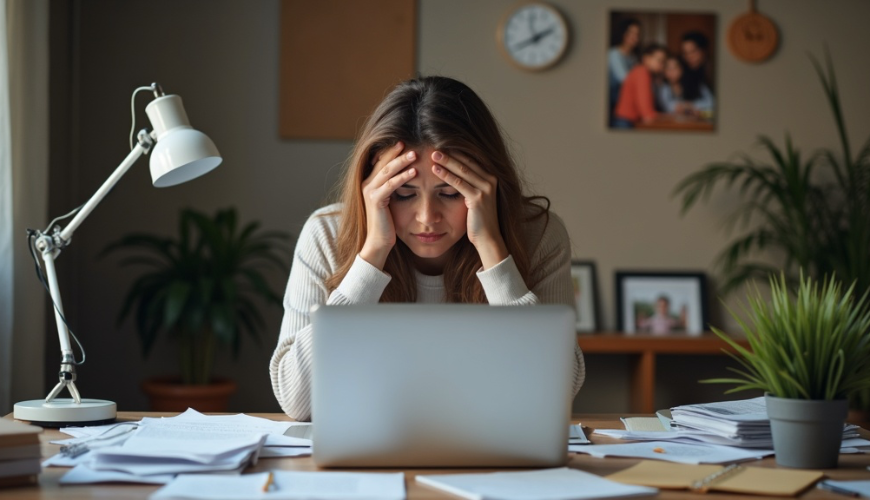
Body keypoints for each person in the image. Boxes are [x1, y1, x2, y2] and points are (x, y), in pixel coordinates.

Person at [270, 76, 586, 421]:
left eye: (450, 193)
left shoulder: (539, 235)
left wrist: (493, 250)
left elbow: (559, 391)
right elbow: (296, 401)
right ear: (372, 186)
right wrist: (372, 255)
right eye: (404, 194)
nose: (426, 218)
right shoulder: (326, 234)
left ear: (486, 186)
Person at [612, 43, 667, 128]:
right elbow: (643, 100)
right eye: (659, 61)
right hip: (625, 121)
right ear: (646, 58)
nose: (661, 65)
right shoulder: (642, 72)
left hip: (626, 120)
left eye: (663, 62)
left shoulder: (640, 71)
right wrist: (650, 116)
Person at [608, 18, 641, 123]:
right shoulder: (614, 54)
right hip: (615, 102)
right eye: (631, 33)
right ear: (623, 33)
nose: (634, 37)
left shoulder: (633, 57)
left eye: (637, 34)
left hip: (630, 101)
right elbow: (625, 79)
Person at [679, 31, 714, 111]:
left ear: (704, 51)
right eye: (685, 53)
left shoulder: (712, 71)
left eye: (693, 51)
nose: (689, 56)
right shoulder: (685, 72)